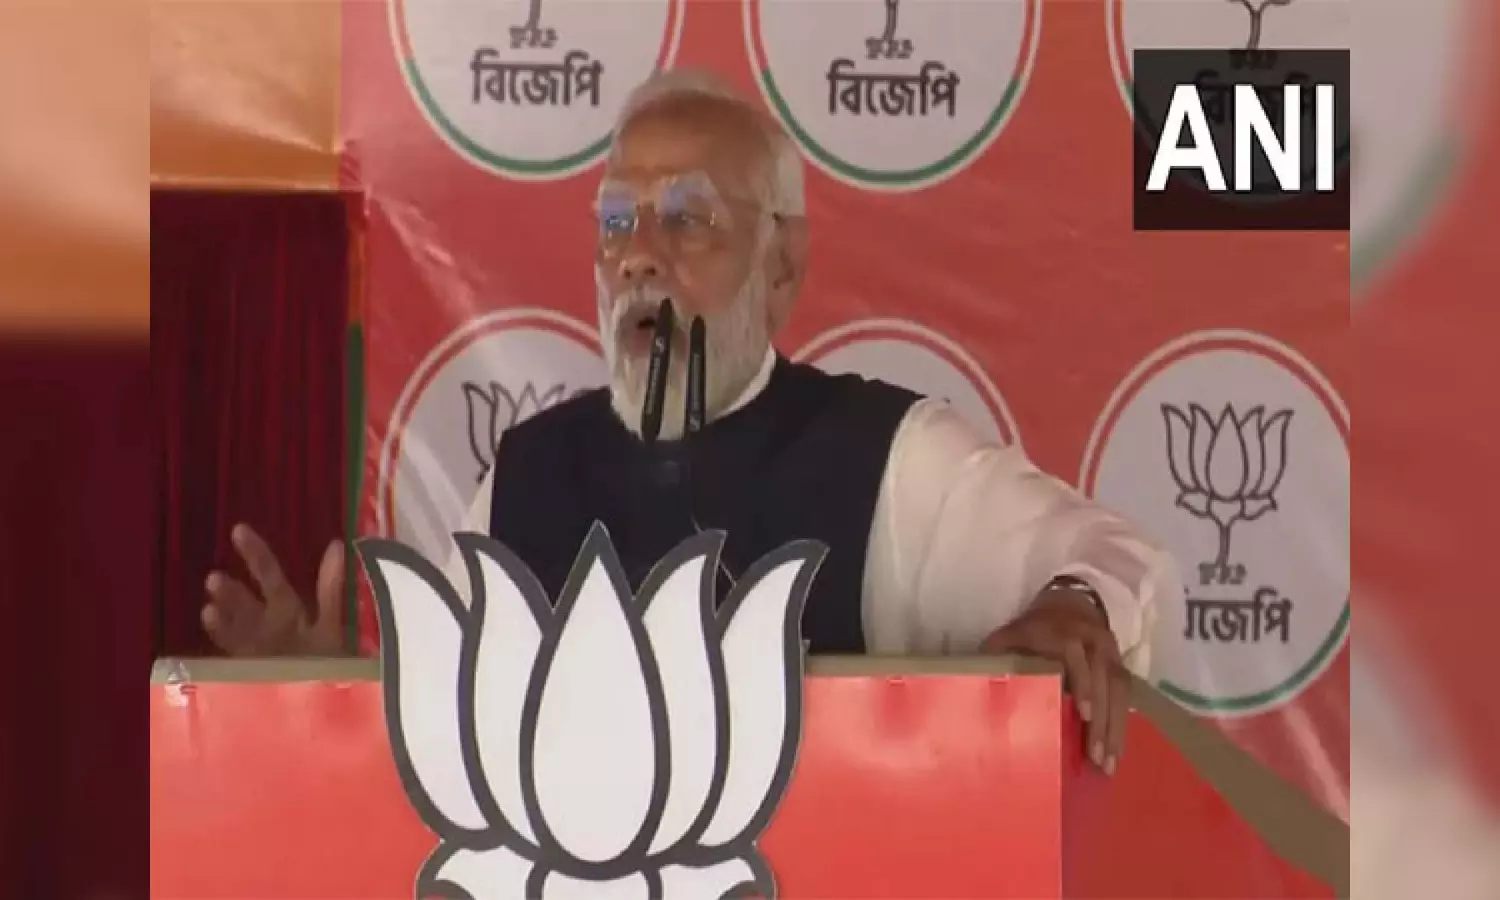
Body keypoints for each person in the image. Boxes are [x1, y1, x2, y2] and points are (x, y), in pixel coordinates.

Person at [202, 69, 1183, 775]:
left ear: (782, 266)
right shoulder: (525, 474)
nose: (638, 256)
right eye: (616, 223)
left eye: (686, 218)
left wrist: (1076, 605)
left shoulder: (886, 456)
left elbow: (1119, 562)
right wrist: (328, 705)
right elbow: (445, 760)